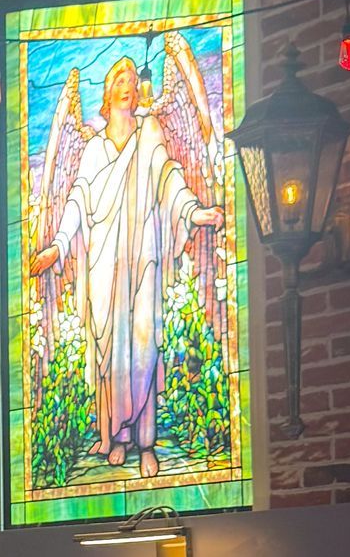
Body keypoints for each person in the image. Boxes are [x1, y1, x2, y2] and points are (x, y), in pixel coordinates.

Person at [32, 57, 221, 479]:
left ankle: (147, 441)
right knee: (109, 350)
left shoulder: (149, 132)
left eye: (133, 81)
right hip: (102, 261)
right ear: (107, 92)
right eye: (120, 80)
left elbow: (168, 176)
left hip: (144, 255)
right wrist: (58, 248)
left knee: (144, 344)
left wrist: (194, 211)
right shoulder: (94, 148)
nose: (128, 87)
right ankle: (116, 434)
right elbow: (78, 202)